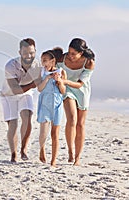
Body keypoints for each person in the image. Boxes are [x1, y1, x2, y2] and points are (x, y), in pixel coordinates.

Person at [0, 38, 42, 162]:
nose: (29, 56)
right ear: (20, 52)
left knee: (27, 117)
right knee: (13, 124)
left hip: (26, 94)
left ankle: (23, 149)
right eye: (25, 53)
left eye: (31, 53)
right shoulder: (10, 65)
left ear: (35, 51)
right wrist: (33, 84)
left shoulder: (38, 65)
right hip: (8, 95)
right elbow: (15, 89)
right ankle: (13, 154)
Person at [57, 38, 95, 166]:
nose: (70, 56)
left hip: (81, 90)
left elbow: (79, 84)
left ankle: (77, 158)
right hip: (67, 90)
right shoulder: (62, 59)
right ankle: (70, 151)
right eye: (69, 52)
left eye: (74, 54)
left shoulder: (88, 62)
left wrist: (65, 81)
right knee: (72, 119)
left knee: (80, 124)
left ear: (81, 53)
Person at [37, 48, 66, 167]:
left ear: (52, 61)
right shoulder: (41, 72)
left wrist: (59, 81)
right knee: (43, 132)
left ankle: (53, 160)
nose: (43, 63)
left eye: (45, 60)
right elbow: (39, 89)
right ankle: (42, 148)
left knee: (55, 134)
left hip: (57, 105)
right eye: (41, 61)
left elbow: (63, 91)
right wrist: (48, 78)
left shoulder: (61, 71)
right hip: (45, 105)